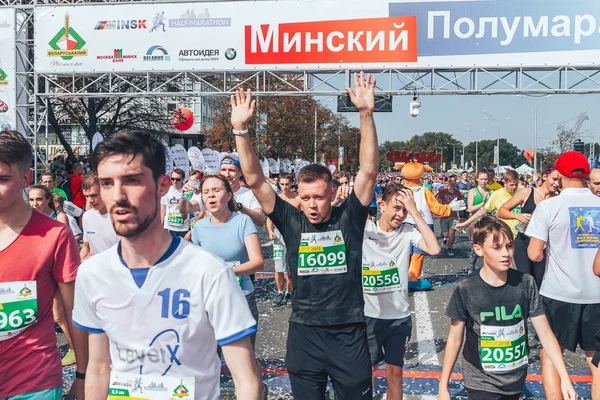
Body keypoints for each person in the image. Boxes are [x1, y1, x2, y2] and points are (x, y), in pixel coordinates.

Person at [73, 130, 262, 400]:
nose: (118, 195)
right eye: (106, 183)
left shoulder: (208, 271)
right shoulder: (92, 273)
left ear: (162, 186)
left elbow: (245, 379)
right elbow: (99, 368)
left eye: (132, 181)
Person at [231, 72, 379, 399]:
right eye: (306, 197)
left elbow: (368, 171)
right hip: (304, 334)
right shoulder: (291, 220)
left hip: (349, 333)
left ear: (333, 194)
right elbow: (255, 181)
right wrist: (240, 130)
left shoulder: (350, 216)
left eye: (319, 197)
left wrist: (366, 114)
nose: (312, 205)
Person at [439, 216, 577, 400]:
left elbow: (545, 333)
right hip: (480, 378)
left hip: (515, 378)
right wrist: (443, 386)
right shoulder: (466, 288)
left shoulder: (525, 283)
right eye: (496, 248)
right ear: (478, 249)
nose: (506, 253)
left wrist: (565, 378)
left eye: (509, 246)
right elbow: (455, 339)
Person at [0, 130, 86, 399]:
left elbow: (75, 312)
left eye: (2, 179)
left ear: (25, 179)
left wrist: (83, 376)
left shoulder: (54, 235)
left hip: (33, 383)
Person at [526, 151, 600, 399]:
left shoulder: (548, 206)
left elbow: (534, 253)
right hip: (597, 293)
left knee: (551, 355)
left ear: (559, 174)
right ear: (586, 174)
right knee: (596, 361)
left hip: (558, 292)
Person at [191, 173, 267, 396]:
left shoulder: (242, 220)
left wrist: (224, 271)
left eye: (216, 190)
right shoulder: (199, 227)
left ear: (229, 194)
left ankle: (256, 390)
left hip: (240, 298)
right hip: (208, 302)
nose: (211, 195)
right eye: (206, 192)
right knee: (206, 361)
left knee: (245, 362)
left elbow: (258, 262)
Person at [362, 184, 441, 400]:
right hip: (369, 317)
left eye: (404, 210)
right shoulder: (365, 230)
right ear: (382, 204)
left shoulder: (407, 231)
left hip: (399, 318)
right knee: (366, 372)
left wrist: (415, 212)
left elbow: (434, 249)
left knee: (395, 373)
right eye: (397, 208)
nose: (400, 214)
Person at [496, 168, 559, 288]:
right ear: (545, 177)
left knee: (541, 282)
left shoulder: (558, 198)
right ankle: (524, 306)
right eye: (554, 179)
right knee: (524, 280)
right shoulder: (527, 192)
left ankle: (539, 306)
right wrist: (517, 215)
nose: (557, 184)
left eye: (559, 181)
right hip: (524, 242)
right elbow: (501, 211)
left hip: (544, 245)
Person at [456, 170, 521, 238]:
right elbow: (475, 210)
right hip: (478, 223)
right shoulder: (473, 191)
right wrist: (465, 223)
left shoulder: (492, 192)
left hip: (491, 224)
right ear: (477, 179)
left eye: (485, 179)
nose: (484, 181)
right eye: (482, 179)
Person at [266, 172, 298, 305]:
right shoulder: (276, 199)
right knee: (279, 266)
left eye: (287, 184)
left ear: (291, 183)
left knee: (291, 267)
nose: (284, 187)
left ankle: (289, 292)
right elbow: (269, 217)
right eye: (282, 184)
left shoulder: (297, 198)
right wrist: (269, 231)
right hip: (279, 237)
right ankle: (280, 292)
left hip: (293, 236)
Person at [80, 172, 118, 261]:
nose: (90, 201)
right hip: (95, 272)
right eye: (86, 196)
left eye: (94, 195)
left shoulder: (122, 216)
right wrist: (79, 264)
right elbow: (86, 247)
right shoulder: (87, 216)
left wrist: (101, 260)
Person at [436, 175, 464, 255]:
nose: (452, 183)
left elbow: (460, 203)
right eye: (450, 181)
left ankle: (449, 248)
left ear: (455, 182)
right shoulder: (443, 191)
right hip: (444, 215)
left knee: (452, 234)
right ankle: (444, 236)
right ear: (447, 182)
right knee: (445, 233)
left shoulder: (457, 192)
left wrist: (461, 216)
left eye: (453, 181)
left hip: (454, 216)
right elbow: (439, 200)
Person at [160, 168, 191, 238]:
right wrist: (160, 227)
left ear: (183, 179)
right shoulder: (166, 190)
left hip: (183, 229)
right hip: (169, 227)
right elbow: (162, 211)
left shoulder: (188, 191)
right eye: (172, 179)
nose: (175, 181)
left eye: (178, 179)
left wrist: (190, 229)